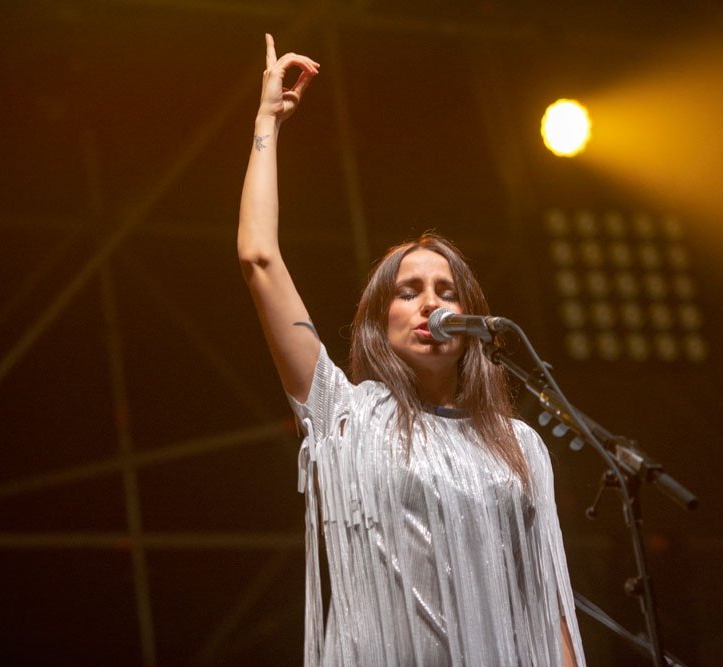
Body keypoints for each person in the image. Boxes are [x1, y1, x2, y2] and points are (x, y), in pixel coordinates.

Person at [238, 34, 586, 667]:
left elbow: (546, 604)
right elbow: (259, 259)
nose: (431, 303)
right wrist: (267, 125)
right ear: (380, 320)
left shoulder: (518, 445)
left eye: (447, 292)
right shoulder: (344, 415)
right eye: (409, 291)